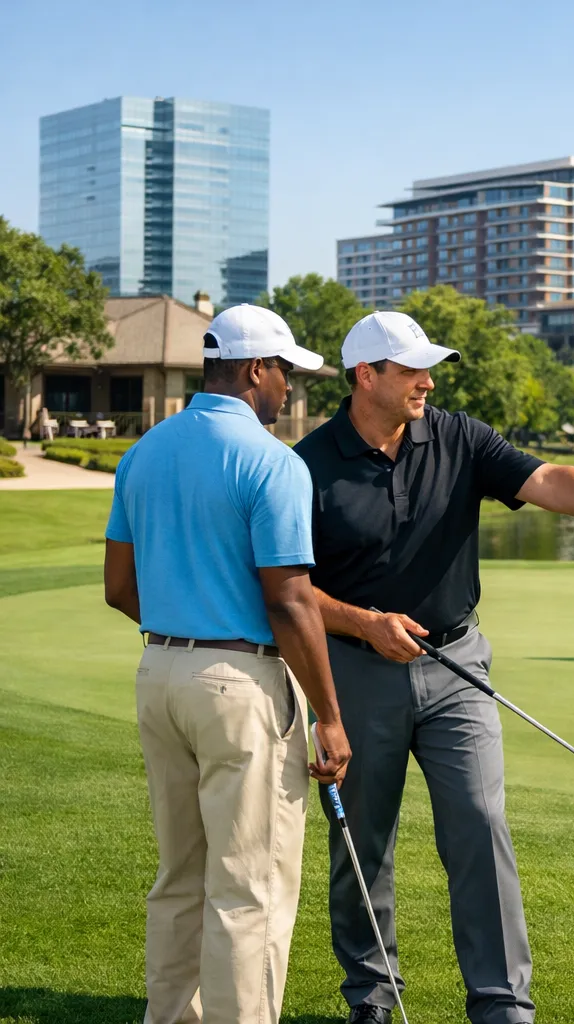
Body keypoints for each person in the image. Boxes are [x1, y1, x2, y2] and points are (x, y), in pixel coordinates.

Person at [294, 310, 574, 1024]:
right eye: (412, 370)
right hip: (355, 670)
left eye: (430, 369)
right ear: (366, 375)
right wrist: (364, 622)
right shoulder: (306, 464)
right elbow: (292, 591)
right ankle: (371, 995)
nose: (428, 382)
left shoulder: (460, 437)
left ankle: (501, 1003)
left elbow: (547, 479)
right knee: (362, 840)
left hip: (456, 666)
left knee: (481, 825)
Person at [103, 304, 352, 1024]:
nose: (288, 388)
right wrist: (330, 718)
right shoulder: (273, 461)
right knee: (250, 887)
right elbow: (291, 601)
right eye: (284, 372)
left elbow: (119, 589)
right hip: (241, 686)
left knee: (180, 878)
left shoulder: (144, 452)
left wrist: (185, 621)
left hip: (160, 676)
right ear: (254, 369)